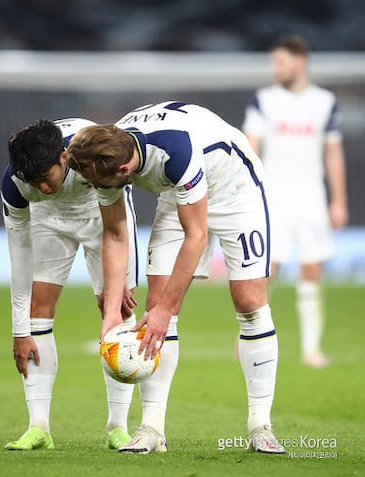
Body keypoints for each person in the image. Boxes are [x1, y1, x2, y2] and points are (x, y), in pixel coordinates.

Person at [66, 101, 285, 454]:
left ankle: (261, 426)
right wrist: (111, 311)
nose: (92, 188)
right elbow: (116, 233)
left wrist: (167, 309)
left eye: (96, 183)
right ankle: (152, 429)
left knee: (249, 303)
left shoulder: (174, 149)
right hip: (178, 193)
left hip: (235, 189)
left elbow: (195, 236)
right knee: (154, 303)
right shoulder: (106, 155)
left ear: (124, 170)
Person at [1, 119, 139, 451]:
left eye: (45, 177)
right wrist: (19, 331)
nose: (41, 187)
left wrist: (122, 279)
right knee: (36, 311)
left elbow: (120, 223)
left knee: (118, 309)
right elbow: (19, 259)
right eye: (33, 181)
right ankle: (38, 427)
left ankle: (118, 427)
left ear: (64, 159)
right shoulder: (16, 183)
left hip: (102, 214)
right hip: (47, 219)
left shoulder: (94, 155)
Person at [242, 34, 348, 369]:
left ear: (300, 62)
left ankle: (311, 349)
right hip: (274, 197)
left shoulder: (325, 101)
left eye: (281, 62)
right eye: (274, 62)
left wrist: (339, 200)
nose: (276, 68)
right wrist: (248, 191)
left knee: (312, 268)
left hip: (312, 197)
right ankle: (249, 336)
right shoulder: (264, 100)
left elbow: (333, 152)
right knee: (266, 269)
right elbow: (251, 145)